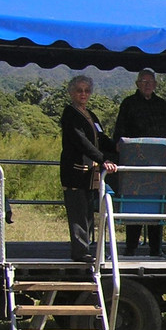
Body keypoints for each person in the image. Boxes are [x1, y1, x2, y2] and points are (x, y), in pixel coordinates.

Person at [114, 69, 166, 256]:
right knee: (135, 203)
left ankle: (156, 248)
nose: (147, 85)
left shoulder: (162, 104)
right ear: (137, 84)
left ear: (155, 84)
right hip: (136, 161)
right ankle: (131, 246)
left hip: (157, 161)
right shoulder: (128, 104)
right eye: (143, 81)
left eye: (150, 82)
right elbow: (120, 129)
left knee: (156, 204)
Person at [60, 75, 117, 263]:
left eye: (86, 90)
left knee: (88, 212)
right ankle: (80, 252)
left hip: (90, 173)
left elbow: (100, 137)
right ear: (71, 93)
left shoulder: (90, 114)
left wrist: (118, 146)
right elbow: (82, 142)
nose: (83, 94)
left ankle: (89, 248)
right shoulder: (70, 114)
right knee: (78, 211)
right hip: (76, 171)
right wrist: (103, 160)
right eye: (79, 90)